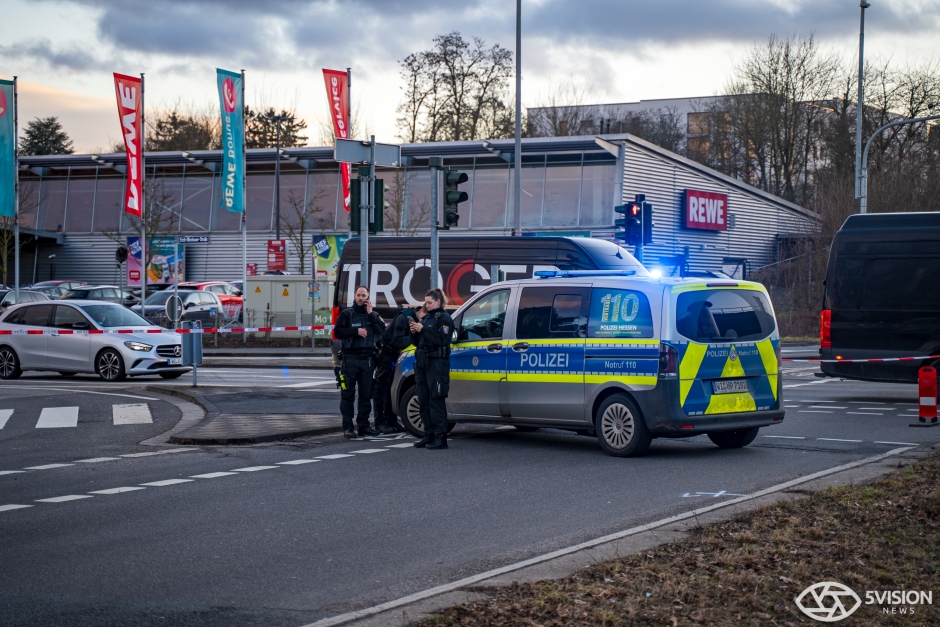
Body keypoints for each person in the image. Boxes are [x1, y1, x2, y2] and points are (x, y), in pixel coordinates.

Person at [334, 285, 386, 439]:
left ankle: (364, 426)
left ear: (368, 297)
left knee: (365, 396)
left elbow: (381, 331)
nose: (361, 298)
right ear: (354, 296)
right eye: (359, 295)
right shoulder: (346, 314)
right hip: (350, 360)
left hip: (367, 361)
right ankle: (348, 428)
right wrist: (355, 331)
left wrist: (371, 315)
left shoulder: (374, 314)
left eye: (364, 295)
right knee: (347, 395)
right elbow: (337, 332)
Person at [409, 288, 455, 450]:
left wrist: (424, 329)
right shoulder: (426, 318)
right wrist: (414, 332)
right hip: (422, 363)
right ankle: (428, 435)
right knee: (423, 399)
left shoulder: (444, 319)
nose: (426, 305)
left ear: (438, 301)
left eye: (429, 302)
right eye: (426, 302)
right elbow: (418, 342)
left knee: (436, 400)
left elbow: (442, 339)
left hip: (437, 364)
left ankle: (440, 438)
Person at [372, 303, 423, 434]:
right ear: (421, 312)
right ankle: (379, 422)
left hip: (395, 355)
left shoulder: (413, 318)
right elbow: (397, 341)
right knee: (382, 389)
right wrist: (414, 336)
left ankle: (391, 419)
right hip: (387, 354)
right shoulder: (404, 318)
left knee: (391, 389)